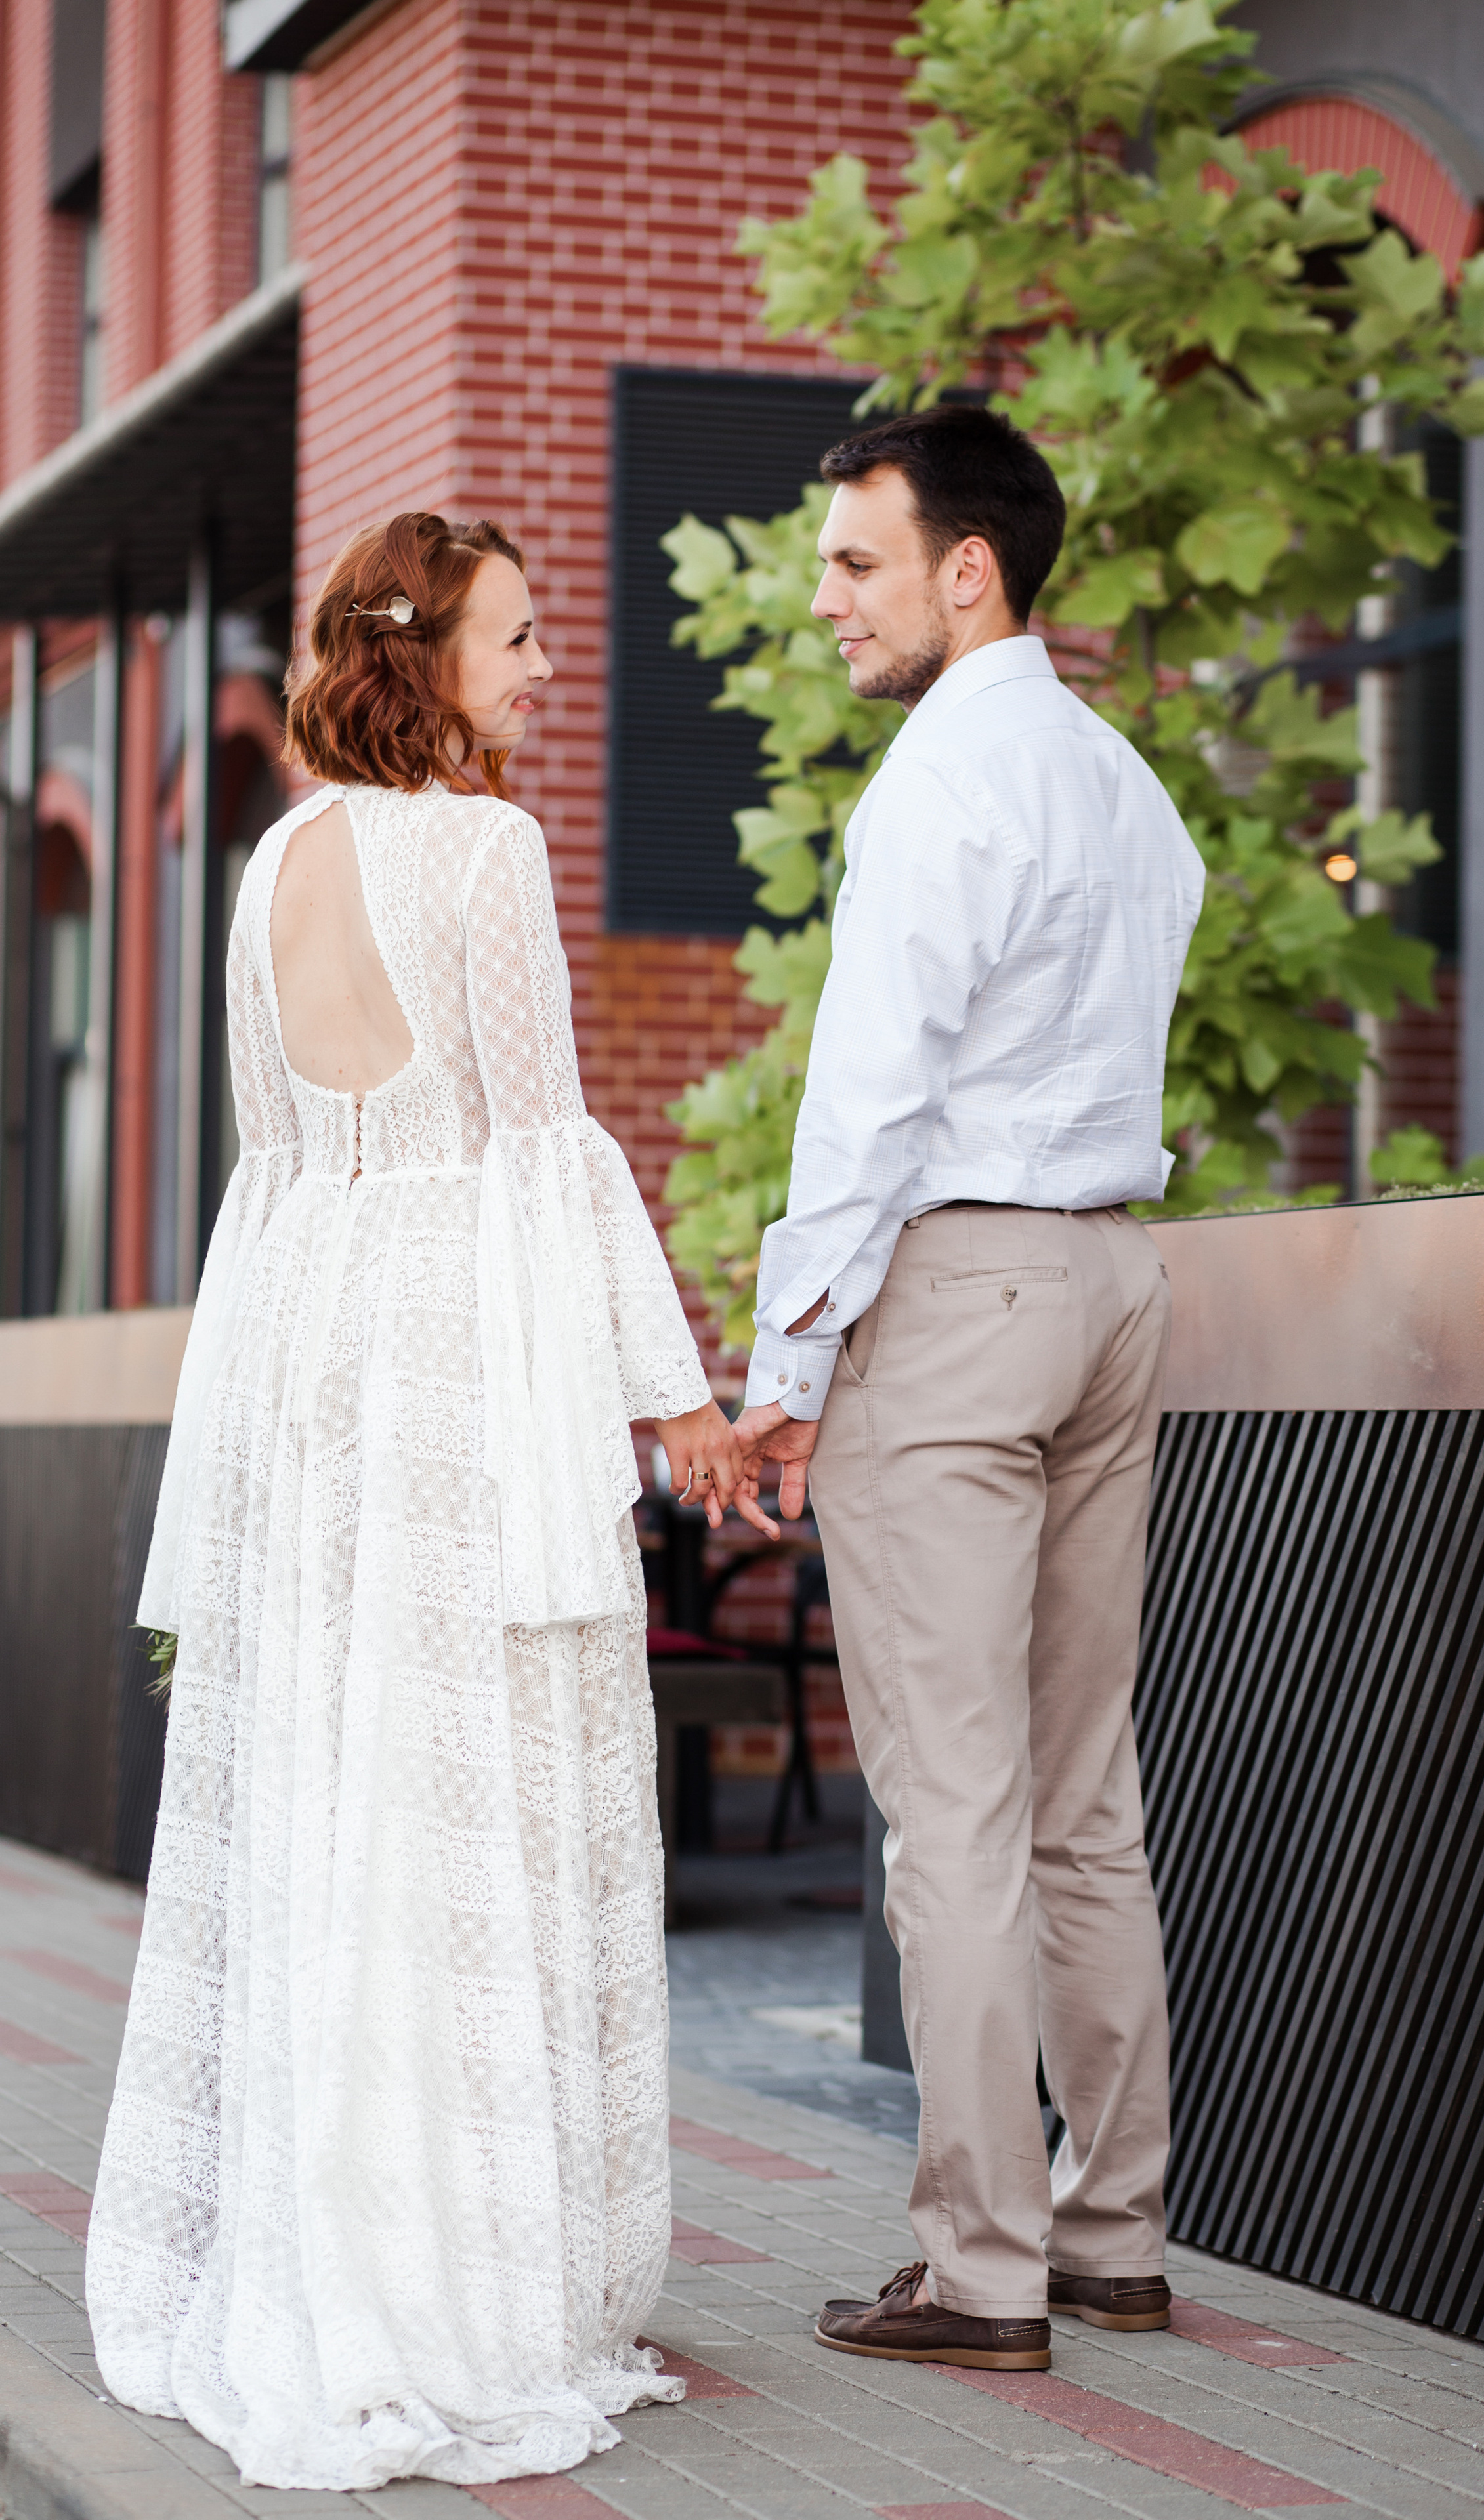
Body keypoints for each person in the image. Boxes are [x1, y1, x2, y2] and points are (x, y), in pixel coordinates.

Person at [85, 514, 773, 2489]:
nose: (550, 672)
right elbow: (544, 1143)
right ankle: (445, 2285)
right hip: (451, 1362)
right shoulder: (482, 851)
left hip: (311, 1344)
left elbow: (271, 1164)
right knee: (457, 1777)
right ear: (429, 657)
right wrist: (677, 1399)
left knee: (328, 1779)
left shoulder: (274, 860)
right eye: (526, 640)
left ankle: (306, 2247)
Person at [734, 407, 1205, 2372]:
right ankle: (1112, 2236)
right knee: (1084, 1794)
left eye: (854, 563)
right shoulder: (1123, 783)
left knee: (957, 1811)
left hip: (962, 1288)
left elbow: (870, 1101)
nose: (824, 597)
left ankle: (984, 2270)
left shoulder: (943, 782)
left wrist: (783, 1369)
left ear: (965, 571)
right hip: (1112, 1278)